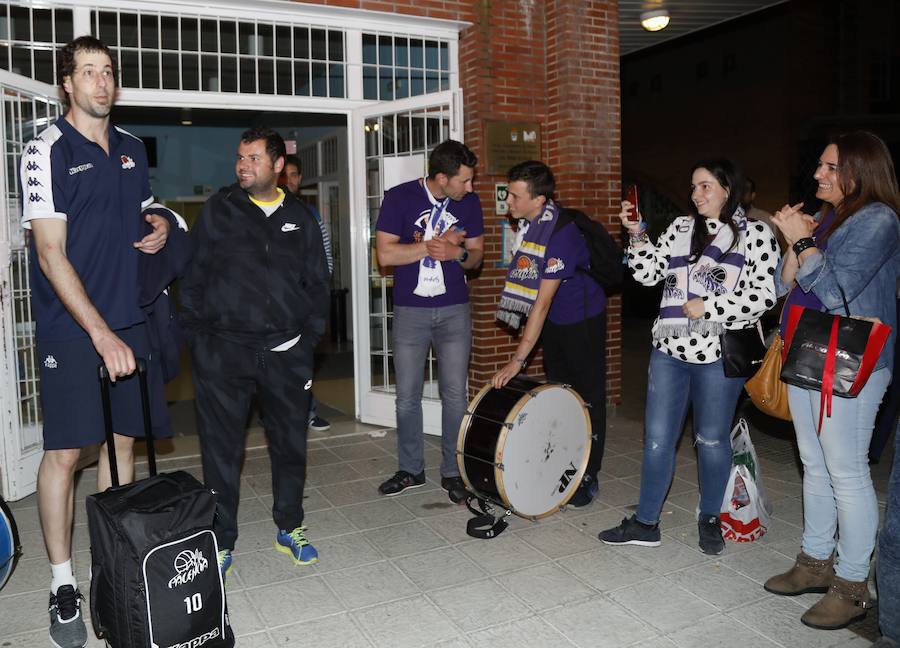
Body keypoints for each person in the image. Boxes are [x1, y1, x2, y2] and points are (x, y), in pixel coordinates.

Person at [19, 36, 171, 648]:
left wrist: (160, 223)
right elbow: (49, 251)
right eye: (88, 72)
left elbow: (144, 209)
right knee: (65, 452)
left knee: (121, 446)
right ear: (66, 84)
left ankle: (114, 565)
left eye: (108, 72)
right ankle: (61, 582)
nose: (101, 83)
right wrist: (99, 332)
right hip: (71, 326)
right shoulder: (43, 150)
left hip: (127, 320)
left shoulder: (133, 148)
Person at [599, 158, 777, 555]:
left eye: (706, 186)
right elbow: (648, 274)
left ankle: (710, 518)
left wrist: (709, 308)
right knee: (657, 441)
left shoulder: (756, 235)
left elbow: (764, 296)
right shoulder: (681, 229)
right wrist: (637, 235)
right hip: (669, 351)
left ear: (728, 190)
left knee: (711, 440)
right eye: (694, 187)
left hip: (717, 355)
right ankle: (646, 522)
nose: (696, 194)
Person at [763, 131, 900, 630]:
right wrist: (793, 242)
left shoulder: (879, 220)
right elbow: (787, 284)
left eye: (829, 167)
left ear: (859, 172)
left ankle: (851, 585)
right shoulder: (828, 218)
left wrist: (802, 240)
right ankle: (815, 563)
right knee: (813, 464)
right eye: (819, 165)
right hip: (809, 353)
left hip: (853, 362)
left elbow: (840, 293)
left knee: (846, 471)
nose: (818, 174)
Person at [180, 127, 330, 580]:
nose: (243, 166)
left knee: (289, 446)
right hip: (224, 353)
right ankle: (221, 539)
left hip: (286, 352)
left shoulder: (302, 218)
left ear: (278, 164)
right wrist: (199, 339)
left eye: (253, 158)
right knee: (222, 452)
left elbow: (318, 283)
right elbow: (193, 276)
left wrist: (308, 340)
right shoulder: (219, 210)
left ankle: (290, 526)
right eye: (239, 158)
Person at [492, 160, 608, 506]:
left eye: (514, 196)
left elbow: (540, 303)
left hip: (582, 319)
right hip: (556, 322)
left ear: (539, 199)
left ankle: (588, 474)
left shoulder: (560, 235)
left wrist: (518, 360)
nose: (508, 202)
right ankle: (562, 459)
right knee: (561, 394)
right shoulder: (530, 227)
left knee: (587, 397)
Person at [375, 139, 484, 503]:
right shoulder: (399, 198)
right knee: (407, 396)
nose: (470, 188)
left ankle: (453, 472)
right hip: (411, 311)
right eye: (464, 181)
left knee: (455, 395)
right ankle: (410, 469)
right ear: (442, 177)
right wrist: (432, 246)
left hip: (455, 309)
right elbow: (385, 254)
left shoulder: (469, 203)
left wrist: (458, 252)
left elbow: (477, 258)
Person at [282, 154, 332, 432]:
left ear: (299, 179)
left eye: (294, 175)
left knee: (302, 360)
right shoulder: (262, 212)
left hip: (304, 305)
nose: (290, 180)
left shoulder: (311, 214)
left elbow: (325, 258)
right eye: (284, 175)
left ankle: (308, 410)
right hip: (275, 307)